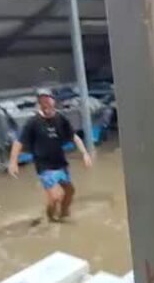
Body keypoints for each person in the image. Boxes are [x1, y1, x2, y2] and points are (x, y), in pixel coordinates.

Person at [9, 89, 92, 221]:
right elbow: (18, 142)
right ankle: (51, 219)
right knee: (54, 197)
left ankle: (64, 214)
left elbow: (74, 137)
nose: (45, 104)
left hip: (60, 163)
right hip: (44, 166)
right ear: (39, 104)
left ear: (54, 101)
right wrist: (13, 162)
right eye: (42, 101)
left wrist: (85, 154)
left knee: (70, 192)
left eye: (48, 100)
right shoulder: (33, 122)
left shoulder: (61, 118)